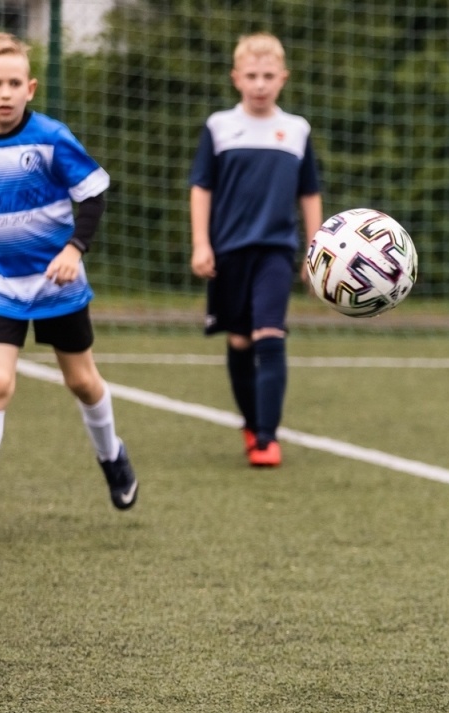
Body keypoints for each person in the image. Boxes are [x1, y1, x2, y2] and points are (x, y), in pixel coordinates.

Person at [0, 33, 135, 541]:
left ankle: (112, 456)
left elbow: (95, 195)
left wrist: (72, 250)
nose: (5, 92)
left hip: (57, 282)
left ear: (30, 88)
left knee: (82, 382)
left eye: (14, 83)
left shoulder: (52, 138)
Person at [190, 33, 323, 467]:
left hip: (276, 251)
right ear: (236, 79)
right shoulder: (219, 126)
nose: (260, 84)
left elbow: (309, 193)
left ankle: (267, 438)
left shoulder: (297, 130)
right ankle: (251, 424)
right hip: (228, 251)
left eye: (269, 76)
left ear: (283, 79)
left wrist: (316, 250)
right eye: (252, 76)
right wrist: (201, 243)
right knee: (239, 339)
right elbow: (201, 187)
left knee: (269, 334)